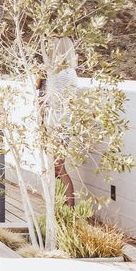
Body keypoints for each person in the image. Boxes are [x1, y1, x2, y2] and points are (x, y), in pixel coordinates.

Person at [41, 37, 79, 206]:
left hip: (56, 125)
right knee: (58, 168)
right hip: (64, 124)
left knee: (58, 168)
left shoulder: (56, 74)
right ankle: (64, 207)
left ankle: (68, 207)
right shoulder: (71, 73)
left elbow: (48, 99)